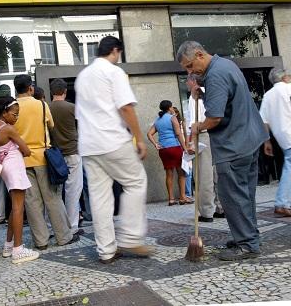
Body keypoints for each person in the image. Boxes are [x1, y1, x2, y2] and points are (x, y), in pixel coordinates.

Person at [177, 41, 268, 261]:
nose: (190, 72)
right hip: (250, 140)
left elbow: (215, 117)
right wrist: (200, 88)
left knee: (232, 197)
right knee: (245, 194)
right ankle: (249, 236)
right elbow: (224, 95)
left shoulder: (215, 75)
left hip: (233, 145)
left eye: (190, 66)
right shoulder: (225, 65)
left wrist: (198, 126)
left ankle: (247, 244)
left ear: (199, 54)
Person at [75, 36, 152, 264]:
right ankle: (130, 237)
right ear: (116, 51)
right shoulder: (113, 71)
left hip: (89, 145)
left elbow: (79, 115)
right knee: (136, 182)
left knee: (100, 198)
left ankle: (106, 250)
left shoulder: (82, 76)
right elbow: (125, 107)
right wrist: (139, 138)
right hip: (112, 140)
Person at [13, 74, 78, 250]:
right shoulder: (41, 105)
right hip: (43, 157)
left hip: (22, 160)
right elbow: (51, 127)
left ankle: (41, 241)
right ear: (30, 88)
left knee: (32, 202)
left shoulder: (12, 108)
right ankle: (63, 237)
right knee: (52, 198)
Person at [0, 95, 40, 264]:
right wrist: (22, 148)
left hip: (7, 169)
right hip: (15, 169)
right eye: (14, 114)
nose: (16, 117)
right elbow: (26, 150)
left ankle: (9, 245)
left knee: (15, 207)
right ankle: (18, 250)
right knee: (19, 208)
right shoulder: (8, 129)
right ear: (4, 112)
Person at [186, 75, 224, 222]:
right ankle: (221, 207)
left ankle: (207, 211)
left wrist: (191, 142)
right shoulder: (210, 92)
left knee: (203, 174)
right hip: (216, 133)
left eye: (188, 81)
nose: (187, 84)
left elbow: (194, 123)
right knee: (216, 173)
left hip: (202, 134)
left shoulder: (195, 96)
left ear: (193, 81)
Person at [49, 78, 84, 236]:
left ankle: (54, 226)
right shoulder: (72, 107)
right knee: (73, 190)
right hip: (73, 151)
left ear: (51, 92)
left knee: (55, 192)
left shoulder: (46, 108)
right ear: (65, 91)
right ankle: (72, 226)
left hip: (54, 155)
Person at [259, 68, 291, 217]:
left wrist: (267, 142)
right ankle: (282, 202)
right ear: (284, 77)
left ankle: (283, 201)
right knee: (289, 168)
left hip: (282, 137)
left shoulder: (267, 95)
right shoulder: (288, 88)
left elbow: (263, 121)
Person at [147, 101, 191, 206]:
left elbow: (149, 134)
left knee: (169, 174)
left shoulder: (157, 120)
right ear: (170, 108)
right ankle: (182, 197)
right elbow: (178, 133)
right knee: (181, 173)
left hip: (163, 150)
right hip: (174, 147)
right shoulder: (172, 118)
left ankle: (171, 199)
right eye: (171, 107)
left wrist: (155, 144)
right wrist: (185, 148)